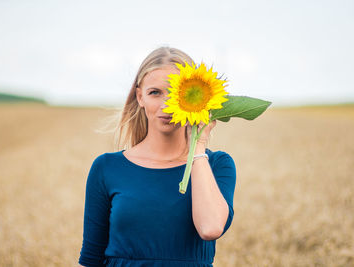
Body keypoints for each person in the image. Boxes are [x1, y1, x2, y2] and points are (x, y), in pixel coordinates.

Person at [78, 46, 236, 267]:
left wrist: (198, 146)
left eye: (177, 94)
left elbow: (210, 228)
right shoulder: (107, 168)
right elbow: (91, 260)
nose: (166, 105)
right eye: (155, 93)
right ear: (139, 97)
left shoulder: (217, 165)